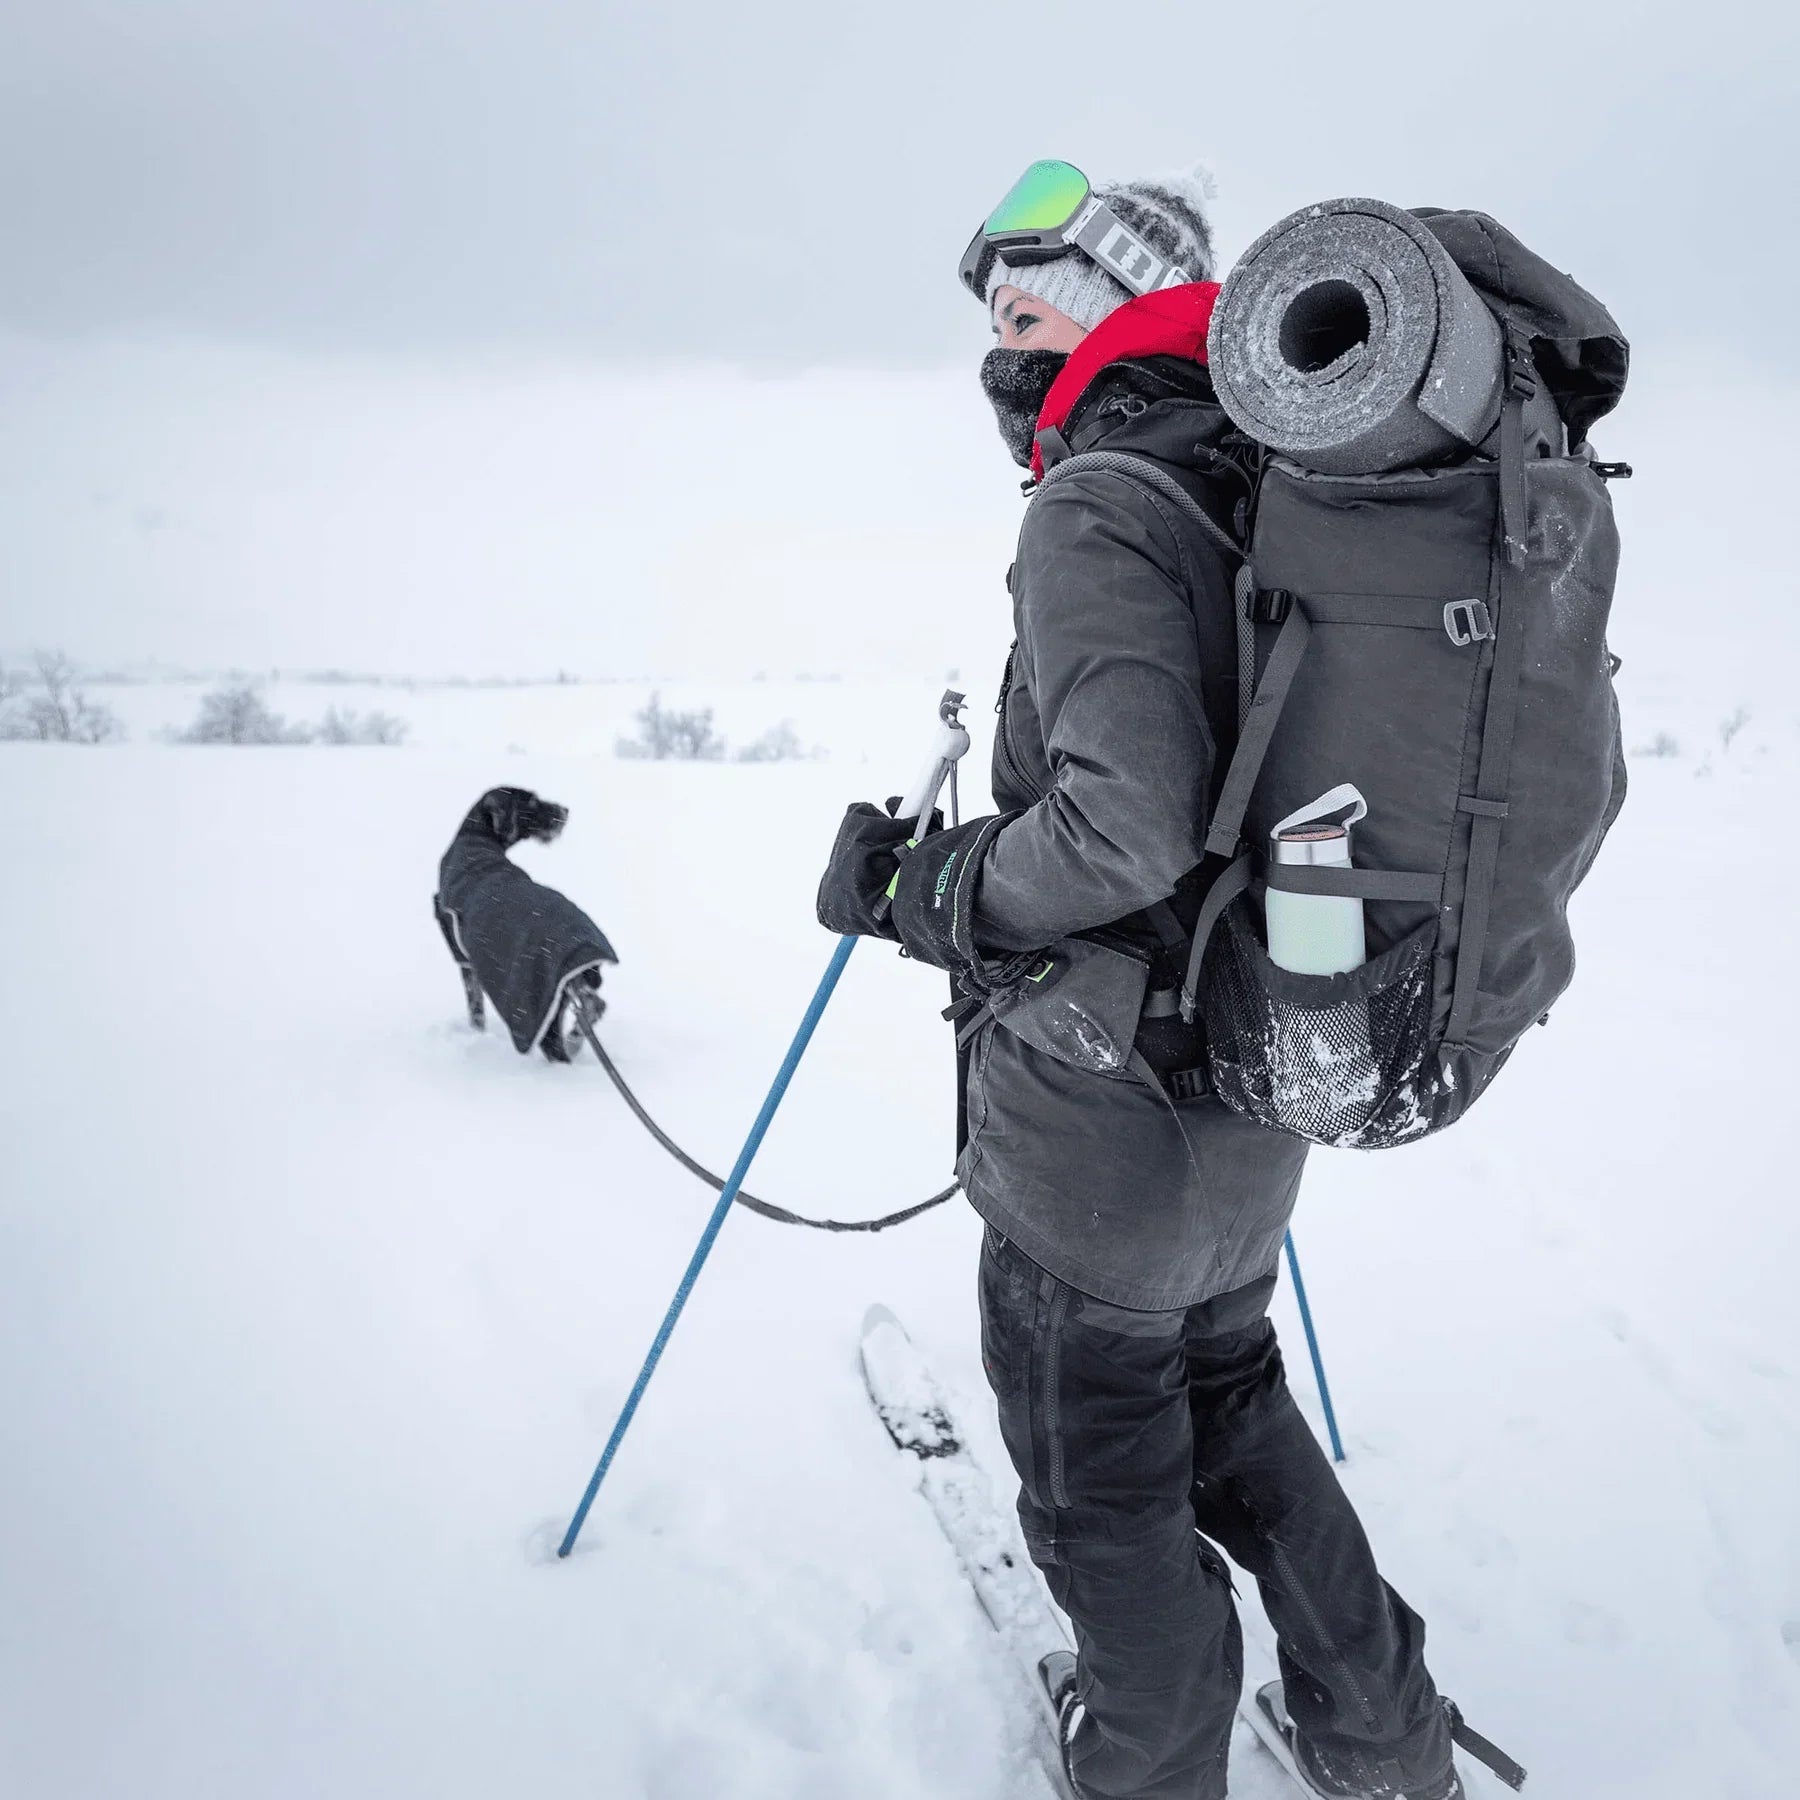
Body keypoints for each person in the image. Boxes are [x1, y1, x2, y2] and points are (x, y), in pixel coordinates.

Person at [818, 162, 1464, 1800]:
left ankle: (1151, 1768)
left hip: (1095, 1146)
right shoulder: (1271, 496)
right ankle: (1384, 1742)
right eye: (987, 319)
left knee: (1105, 1499)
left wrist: (928, 886)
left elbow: (1122, 829)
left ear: (1120, 307)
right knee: (1235, 1405)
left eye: (1027, 309)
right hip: (1257, 1086)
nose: (996, 346)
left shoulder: (1098, 503)